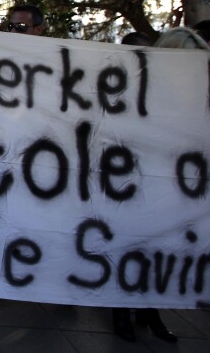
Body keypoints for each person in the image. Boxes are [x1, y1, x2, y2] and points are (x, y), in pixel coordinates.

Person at [0, 3, 45, 314]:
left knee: (37, 222)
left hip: (40, 161)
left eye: (21, 27)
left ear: (39, 30)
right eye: (10, 26)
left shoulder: (55, 62)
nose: (13, 32)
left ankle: (44, 283)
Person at [108, 29, 178, 343]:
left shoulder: (169, 95)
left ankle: (151, 315)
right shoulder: (112, 92)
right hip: (122, 188)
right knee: (125, 251)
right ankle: (121, 314)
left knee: (153, 253)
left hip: (159, 190)